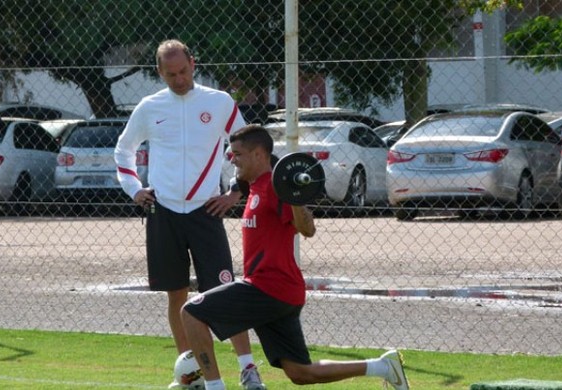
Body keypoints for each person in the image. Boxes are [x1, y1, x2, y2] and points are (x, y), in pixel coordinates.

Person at [180, 124, 409, 390]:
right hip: (280, 291)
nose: (233, 159)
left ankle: (214, 387)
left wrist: (296, 198)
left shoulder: (275, 189)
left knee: (191, 313)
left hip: (268, 287)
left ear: (258, 155)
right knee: (301, 373)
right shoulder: (255, 186)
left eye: (238, 154)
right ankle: (383, 366)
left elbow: (307, 229)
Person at [114, 39, 264, 390]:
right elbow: (124, 151)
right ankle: (191, 373)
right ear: (159, 72)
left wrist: (235, 192)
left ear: (193, 64)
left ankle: (248, 369)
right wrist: (135, 189)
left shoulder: (219, 102)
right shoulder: (150, 107)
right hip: (163, 211)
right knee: (176, 294)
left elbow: (249, 147)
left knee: (226, 291)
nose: (179, 79)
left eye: (183, 71)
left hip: (206, 211)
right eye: (171, 74)